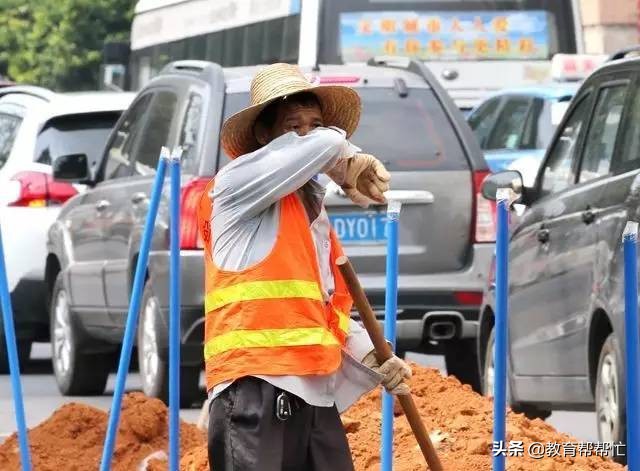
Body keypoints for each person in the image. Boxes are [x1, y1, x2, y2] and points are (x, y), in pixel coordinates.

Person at [197, 63, 412, 471]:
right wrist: (345, 159)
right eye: (293, 125)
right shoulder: (236, 183)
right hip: (253, 389)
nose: (307, 134)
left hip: (313, 397)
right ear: (264, 135)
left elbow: (317, 312)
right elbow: (316, 149)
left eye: (315, 123)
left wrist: (371, 355)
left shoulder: (308, 213)